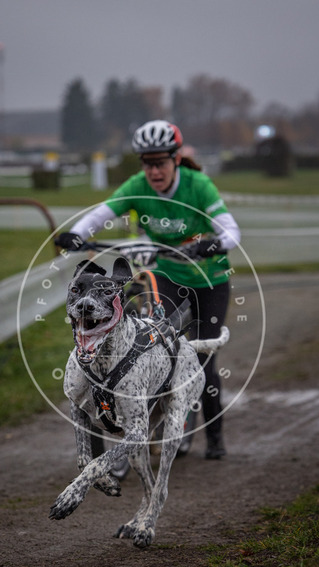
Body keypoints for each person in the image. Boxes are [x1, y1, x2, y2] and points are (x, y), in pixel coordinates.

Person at [55, 120, 241, 460]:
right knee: (160, 351)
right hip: (168, 275)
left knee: (203, 360)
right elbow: (100, 215)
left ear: (176, 159)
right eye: (147, 163)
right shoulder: (137, 186)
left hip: (209, 280)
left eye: (160, 163)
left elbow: (231, 231)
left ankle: (214, 437)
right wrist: (76, 235)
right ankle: (159, 425)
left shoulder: (198, 185)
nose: (154, 171)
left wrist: (212, 244)